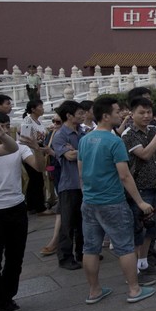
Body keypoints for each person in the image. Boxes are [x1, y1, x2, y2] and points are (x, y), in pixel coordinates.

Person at [77, 96, 156, 307]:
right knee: (125, 246)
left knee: (90, 248)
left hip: (89, 201)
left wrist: (87, 193)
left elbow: (81, 171)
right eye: (116, 111)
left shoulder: (85, 139)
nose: (120, 114)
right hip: (112, 201)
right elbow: (124, 175)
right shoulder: (114, 141)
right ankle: (134, 289)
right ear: (105, 116)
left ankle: (94, 291)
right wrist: (140, 202)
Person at [0, 110, 51, 311]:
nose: (2, 130)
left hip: (16, 207)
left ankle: (7, 297)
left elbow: (40, 167)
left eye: (6, 126)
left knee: (15, 258)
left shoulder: (18, 147)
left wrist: (36, 149)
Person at [122, 96, 156, 279]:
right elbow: (145, 154)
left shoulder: (153, 129)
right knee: (139, 228)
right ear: (132, 114)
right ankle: (135, 269)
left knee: (152, 227)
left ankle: (144, 262)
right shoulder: (129, 135)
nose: (146, 116)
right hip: (140, 188)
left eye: (148, 112)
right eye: (142, 113)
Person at [51, 100, 85, 270]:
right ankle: (65, 257)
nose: (83, 116)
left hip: (83, 183)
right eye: (79, 113)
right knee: (68, 223)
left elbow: (74, 153)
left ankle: (82, 253)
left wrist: (76, 151)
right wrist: (84, 151)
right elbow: (70, 156)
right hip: (69, 184)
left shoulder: (82, 132)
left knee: (82, 222)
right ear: (69, 116)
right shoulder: (60, 135)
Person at [18, 99, 50, 214]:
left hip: (39, 151)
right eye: (40, 106)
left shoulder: (39, 121)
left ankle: (32, 206)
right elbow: (24, 137)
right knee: (36, 180)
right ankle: (39, 207)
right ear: (33, 109)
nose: (42, 109)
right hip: (30, 153)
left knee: (36, 180)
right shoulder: (28, 120)